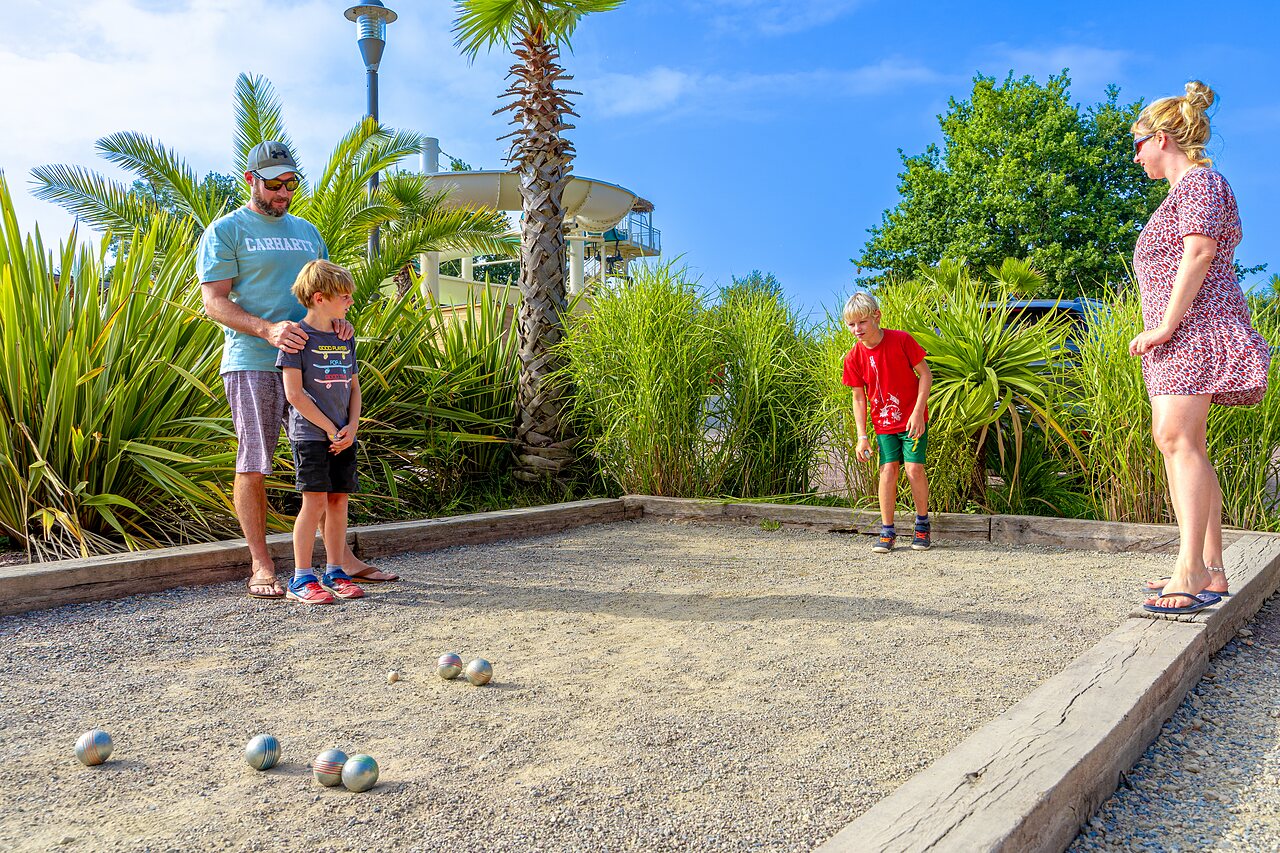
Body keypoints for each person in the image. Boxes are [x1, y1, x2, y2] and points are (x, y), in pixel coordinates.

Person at [198, 140, 398, 599]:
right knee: (255, 461)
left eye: (290, 184)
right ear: (251, 180)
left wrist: (337, 321)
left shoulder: (307, 230)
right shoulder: (227, 230)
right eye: (274, 185)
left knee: (329, 453)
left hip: (316, 366)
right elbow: (214, 302)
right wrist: (267, 330)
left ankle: (339, 561)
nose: (283, 193)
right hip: (254, 363)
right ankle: (262, 564)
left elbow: (321, 290)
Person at [1128, 81, 1271, 615]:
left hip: (1193, 329)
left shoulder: (1200, 184)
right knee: (1185, 443)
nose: (1135, 154)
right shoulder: (1184, 192)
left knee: (1176, 439)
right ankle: (1210, 568)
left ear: (1162, 138)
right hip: (1182, 330)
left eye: (1137, 143)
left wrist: (1164, 326)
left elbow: (1200, 252)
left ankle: (1187, 570)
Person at [276, 260, 364, 604]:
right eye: (344, 296)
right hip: (311, 436)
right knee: (313, 502)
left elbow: (354, 386)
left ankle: (335, 570)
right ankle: (301, 578)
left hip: (343, 435)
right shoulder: (296, 340)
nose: (350, 302)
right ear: (319, 298)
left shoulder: (344, 337)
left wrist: (351, 427)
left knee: (339, 500)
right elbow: (294, 394)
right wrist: (330, 429)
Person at [841, 292, 933, 553]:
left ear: (876, 316)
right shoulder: (853, 357)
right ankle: (887, 530)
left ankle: (922, 524)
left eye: (862, 322)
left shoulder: (901, 340)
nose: (857, 329)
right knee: (888, 470)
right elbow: (858, 398)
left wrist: (918, 412)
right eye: (851, 324)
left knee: (914, 469)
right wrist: (862, 436)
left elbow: (925, 375)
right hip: (883, 424)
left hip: (912, 420)